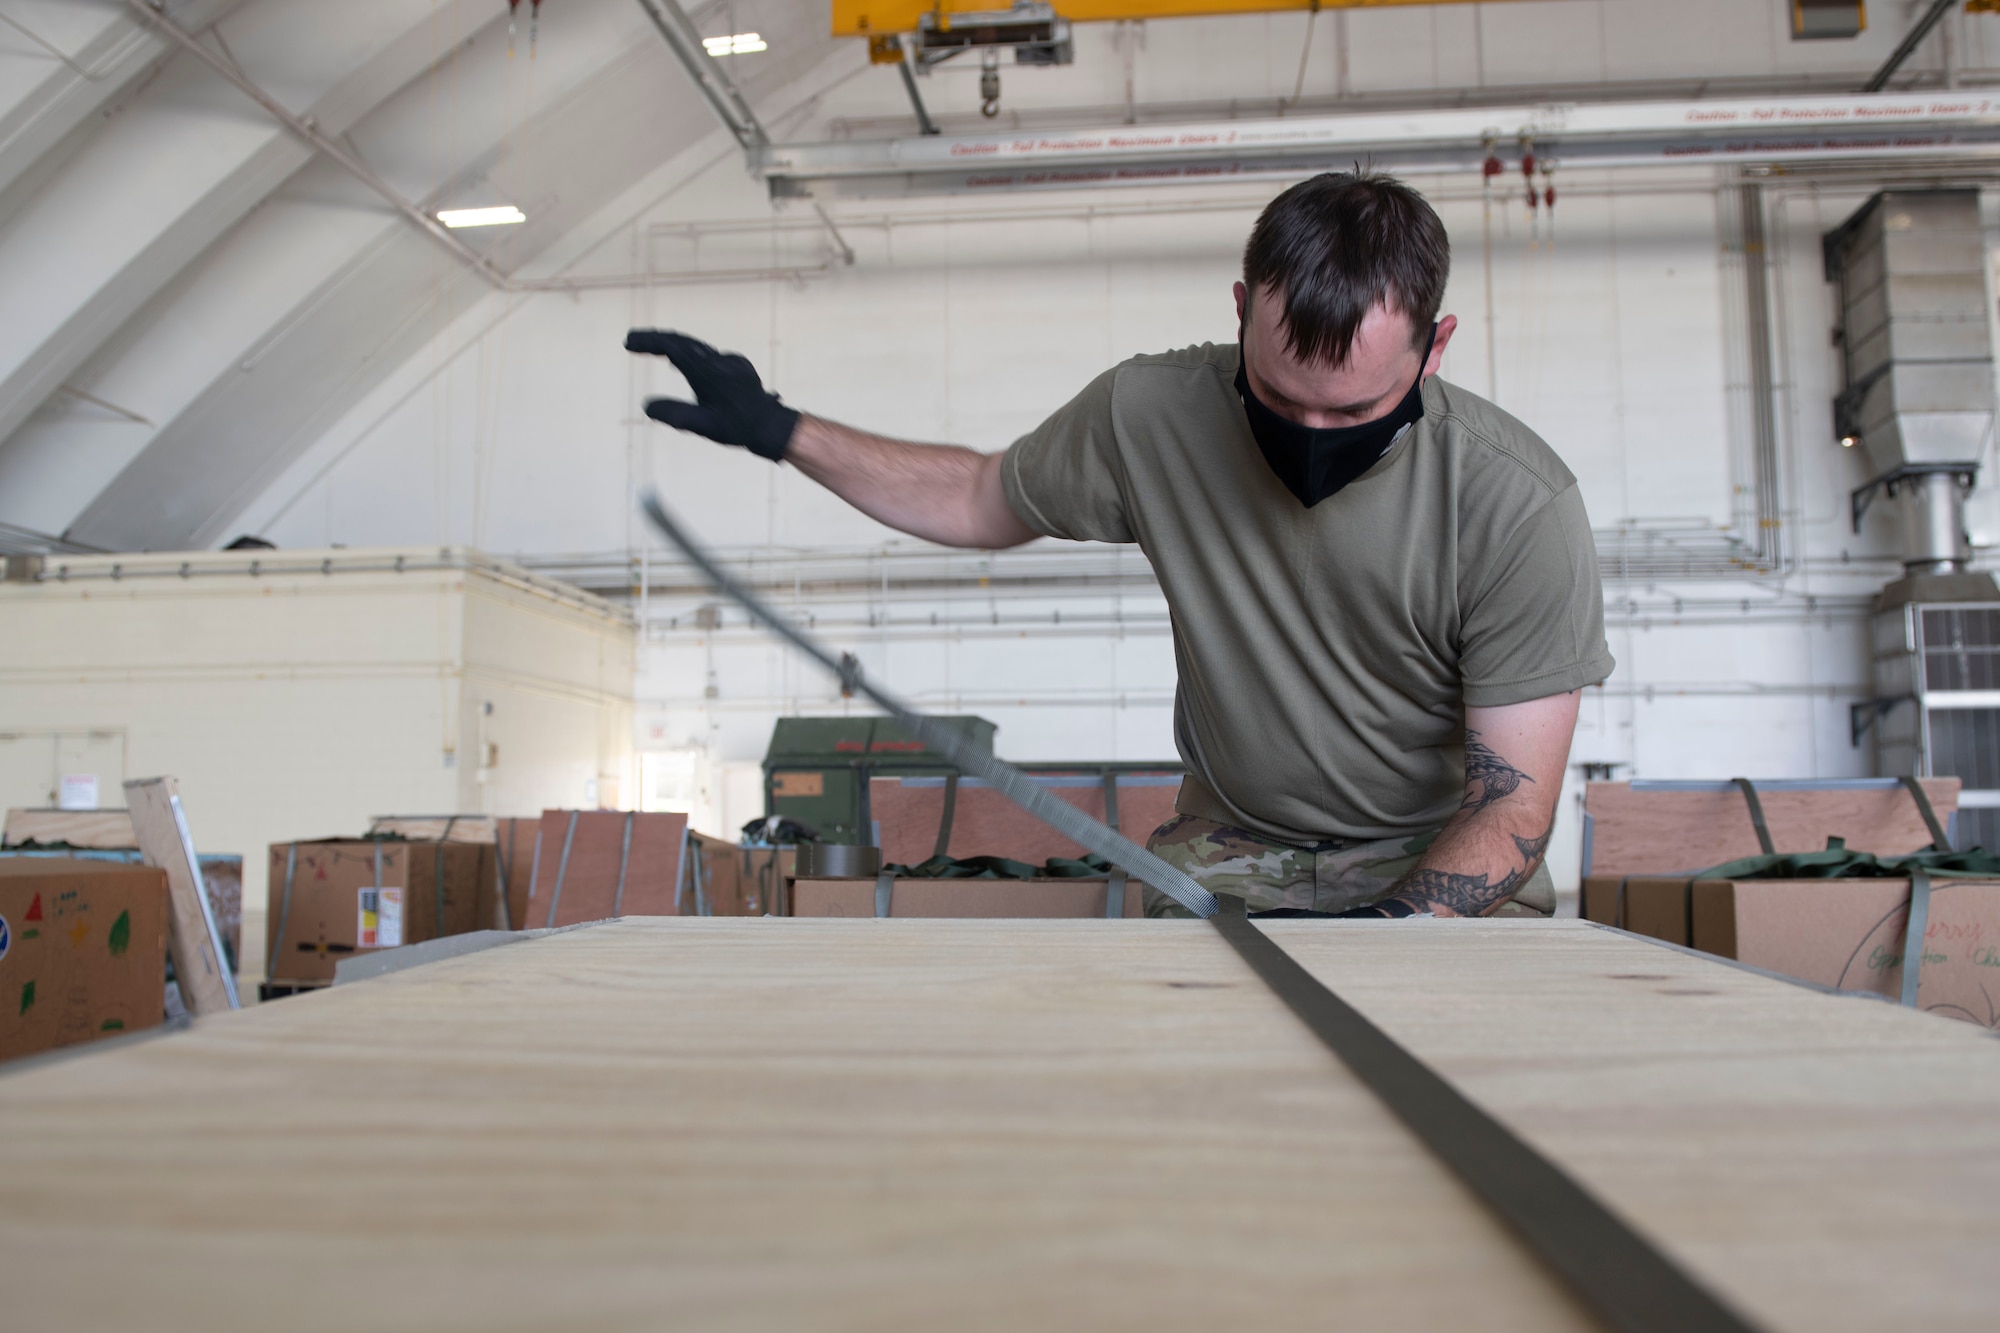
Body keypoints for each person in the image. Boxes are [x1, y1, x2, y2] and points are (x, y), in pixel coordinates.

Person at [625, 170, 1613, 919]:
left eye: (1352, 409)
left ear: (1432, 350)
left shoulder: (1512, 503)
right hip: (1230, 845)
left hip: (1431, 858)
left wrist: (1385, 936)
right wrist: (779, 429)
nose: (1310, 438)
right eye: (1276, 399)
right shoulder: (1149, 414)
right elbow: (977, 496)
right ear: (1238, 313)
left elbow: (1512, 810)